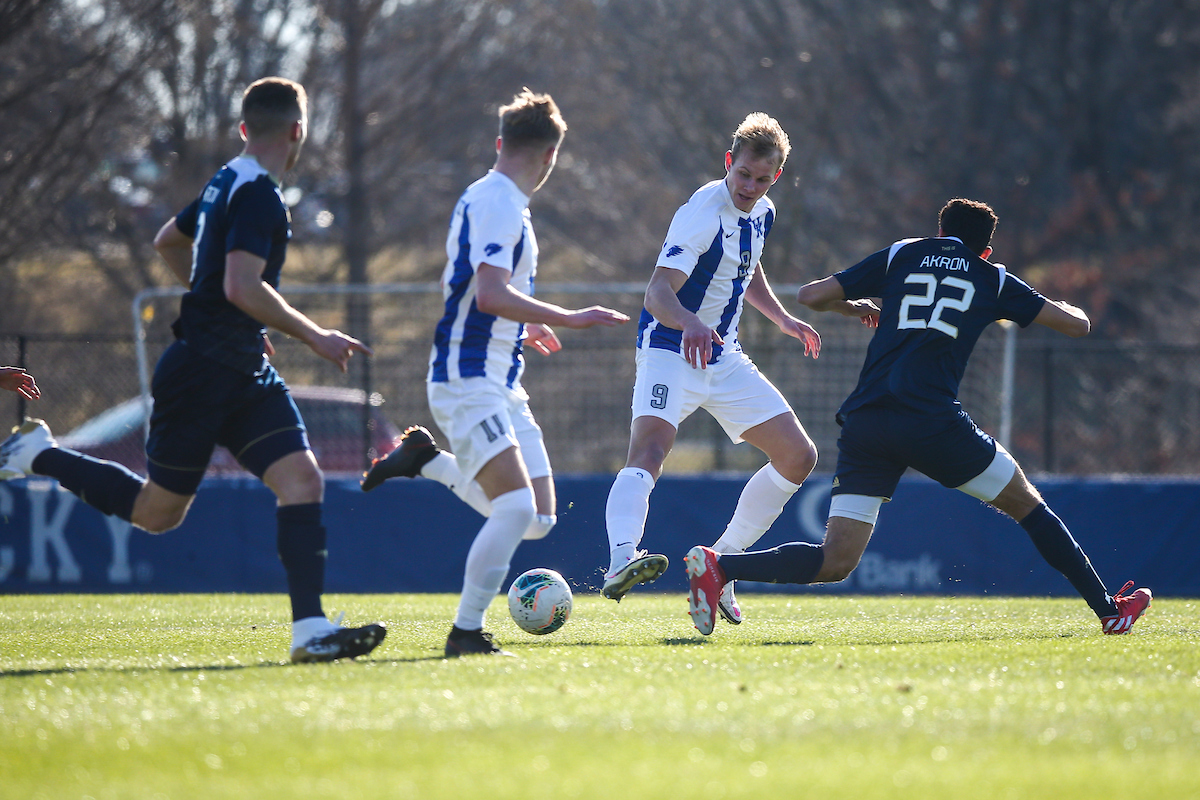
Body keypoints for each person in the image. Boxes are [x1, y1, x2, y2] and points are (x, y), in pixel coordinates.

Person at [0, 77, 387, 662]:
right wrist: (311, 333)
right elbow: (239, 284)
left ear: (242, 129)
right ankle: (36, 455)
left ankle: (309, 630)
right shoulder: (257, 193)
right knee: (159, 513)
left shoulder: (224, 181)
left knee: (301, 479)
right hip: (202, 371)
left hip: (244, 368)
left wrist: (233, 312)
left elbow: (167, 243)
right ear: (297, 131)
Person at [685, 198, 1152, 636]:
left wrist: (855, 307)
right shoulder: (991, 277)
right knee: (1028, 506)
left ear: (940, 232)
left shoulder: (903, 255)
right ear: (985, 249)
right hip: (931, 422)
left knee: (836, 562)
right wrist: (1060, 301)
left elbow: (810, 295)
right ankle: (1110, 612)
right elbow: (1078, 325)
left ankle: (722, 566)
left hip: (867, 420)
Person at [359, 88, 629, 657]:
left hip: (501, 377)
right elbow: (486, 294)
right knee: (514, 509)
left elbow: (459, 286)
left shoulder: (489, 198)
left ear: (501, 142)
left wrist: (519, 327)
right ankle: (465, 632)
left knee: (540, 518)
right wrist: (567, 317)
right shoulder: (501, 202)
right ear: (551, 156)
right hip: (468, 377)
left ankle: (427, 462)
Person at [599, 112, 825, 626]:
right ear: (729, 162)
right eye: (743, 173)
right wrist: (692, 325)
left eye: (761, 179)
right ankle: (619, 559)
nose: (749, 186)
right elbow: (657, 293)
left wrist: (784, 318)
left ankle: (720, 565)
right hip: (669, 348)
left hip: (721, 354)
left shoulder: (763, 211)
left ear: (775, 179)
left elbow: (746, 268)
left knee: (797, 456)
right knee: (651, 451)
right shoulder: (702, 210)